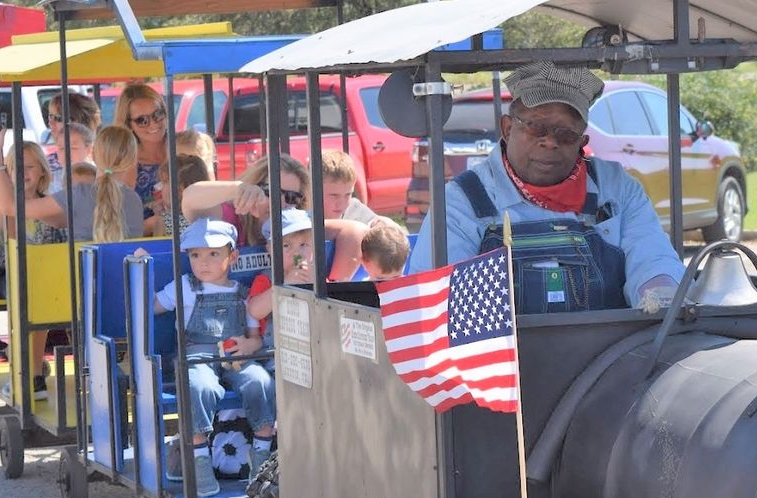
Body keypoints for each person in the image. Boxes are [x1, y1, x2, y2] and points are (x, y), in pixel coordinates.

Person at [409, 61, 685, 314]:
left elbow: (653, 258)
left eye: (565, 134)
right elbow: (438, 300)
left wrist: (660, 297)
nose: (550, 142)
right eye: (536, 128)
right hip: (507, 362)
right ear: (506, 129)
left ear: (581, 141)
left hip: (611, 356)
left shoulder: (616, 189)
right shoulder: (463, 202)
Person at [144, 218, 275, 497]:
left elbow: (255, 336)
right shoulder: (184, 287)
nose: (203, 262)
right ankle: (199, 458)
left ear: (233, 256)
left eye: (213, 254)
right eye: (195, 255)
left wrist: (250, 345)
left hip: (234, 355)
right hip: (197, 354)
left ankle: (262, 456)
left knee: (260, 381)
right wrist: (140, 270)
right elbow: (152, 306)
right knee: (200, 386)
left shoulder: (243, 294)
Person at [182, 155, 366, 281]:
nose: (281, 203)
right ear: (253, 186)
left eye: (292, 197)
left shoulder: (298, 227)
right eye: (272, 192)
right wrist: (236, 189)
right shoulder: (232, 216)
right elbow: (190, 201)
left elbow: (354, 231)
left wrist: (334, 288)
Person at [0, 141, 67, 399]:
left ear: (43, 171)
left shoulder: (50, 204)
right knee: (28, 293)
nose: (22, 173)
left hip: (44, 277)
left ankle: (31, 372)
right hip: (9, 275)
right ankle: (28, 374)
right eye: (15, 167)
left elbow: (60, 224)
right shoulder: (4, 204)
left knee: (37, 293)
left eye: (30, 167)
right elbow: (5, 248)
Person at [0, 125, 143, 243]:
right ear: (132, 160)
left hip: (81, 281)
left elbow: (9, 207)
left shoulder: (78, 194)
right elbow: (59, 221)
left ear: (94, 155)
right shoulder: (135, 201)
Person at [246, 208, 315, 330]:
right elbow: (254, 311)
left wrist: (313, 281)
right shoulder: (266, 278)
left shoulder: (316, 275)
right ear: (270, 249)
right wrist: (285, 284)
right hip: (275, 342)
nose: (296, 253)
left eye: (303, 245)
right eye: (286, 245)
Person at [111, 83, 169, 228]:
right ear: (128, 124)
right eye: (142, 120)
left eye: (158, 114)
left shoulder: (184, 148)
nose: (153, 124)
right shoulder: (123, 162)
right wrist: (153, 224)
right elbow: (117, 227)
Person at [320, 149, 394, 226]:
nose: (341, 203)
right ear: (312, 191)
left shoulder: (354, 208)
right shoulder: (307, 221)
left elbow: (375, 221)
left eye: (348, 194)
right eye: (334, 195)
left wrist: (381, 224)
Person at [150, 154, 210, 236]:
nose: (160, 188)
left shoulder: (163, 222)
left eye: (164, 182)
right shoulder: (209, 218)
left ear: (180, 188)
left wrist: (158, 216)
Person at [48, 122, 95, 194]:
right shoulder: (52, 180)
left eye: (73, 148)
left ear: (89, 149)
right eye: (61, 148)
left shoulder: (98, 177)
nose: (66, 153)